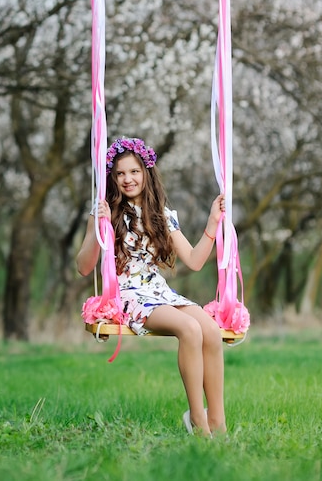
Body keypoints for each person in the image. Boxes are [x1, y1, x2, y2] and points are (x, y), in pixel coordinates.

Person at [77, 137, 226, 437]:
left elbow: (195, 261)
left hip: (159, 292)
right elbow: (83, 266)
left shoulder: (163, 215)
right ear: (113, 177)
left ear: (146, 173)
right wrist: (99, 227)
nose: (127, 179)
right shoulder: (105, 210)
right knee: (190, 329)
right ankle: (198, 419)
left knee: (209, 329)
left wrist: (212, 224)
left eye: (134, 172)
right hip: (129, 295)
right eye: (120, 174)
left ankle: (218, 422)